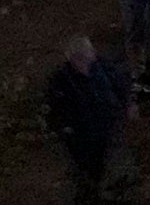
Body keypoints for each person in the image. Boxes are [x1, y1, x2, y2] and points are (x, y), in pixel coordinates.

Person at [45, 35, 132, 205]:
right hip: (81, 136)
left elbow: (119, 83)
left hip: (107, 126)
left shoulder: (101, 67)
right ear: (76, 58)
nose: (94, 54)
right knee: (85, 171)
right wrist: (65, 128)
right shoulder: (62, 80)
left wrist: (128, 104)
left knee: (108, 164)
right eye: (89, 52)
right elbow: (56, 110)